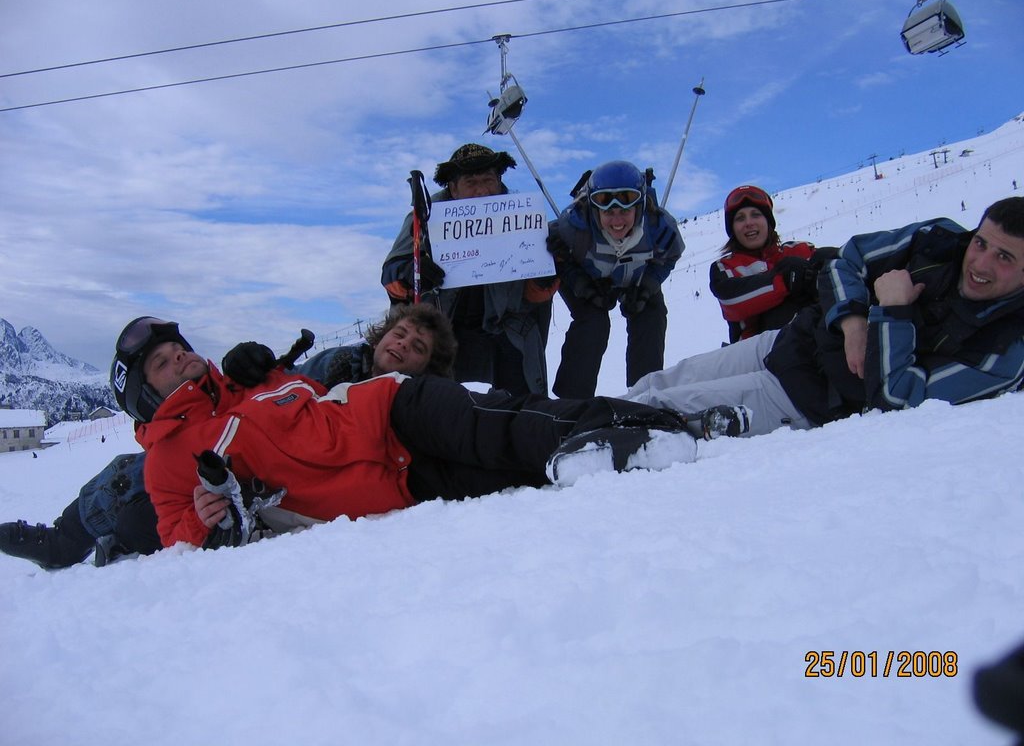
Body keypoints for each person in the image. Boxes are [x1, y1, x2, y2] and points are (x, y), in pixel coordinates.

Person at [110, 314, 726, 550]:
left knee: (501, 426)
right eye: (161, 364)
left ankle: (637, 426)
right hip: (392, 489)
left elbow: (305, 398)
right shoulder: (167, 461)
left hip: (388, 411)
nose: (180, 360)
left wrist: (268, 368)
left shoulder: (246, 385)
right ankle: (615, 453)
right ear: (146, 394)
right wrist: (203, 515)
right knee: (499, 476)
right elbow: (178, 540)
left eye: (178, 348)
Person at [0, 304, 458, 570]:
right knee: (126, 477)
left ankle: (110, 540)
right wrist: (258, 367)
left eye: (415, 348)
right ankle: (62, 542)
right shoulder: (348, 363)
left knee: (137, 518)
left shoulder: (412, 398)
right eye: (397, 336)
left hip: (246, 478)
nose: (401, 348)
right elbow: (297, 387)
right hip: (211, 459)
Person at [624, 197, 1024, 436]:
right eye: (981, 242)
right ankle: (569, 414)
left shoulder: (1003, 350)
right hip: (787, 341)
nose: (980, 262)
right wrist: (851, 321)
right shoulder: (940, 243)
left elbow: (898, 398)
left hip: (804, 395)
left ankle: (569, 436)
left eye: (1004, 257)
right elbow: (847, 261)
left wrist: (894, 311)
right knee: (660, 381)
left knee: (662, 405)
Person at [381, 143, 558, 396]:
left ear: (499, 181)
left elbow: (534, 296)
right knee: (428, 396)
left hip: (505, 324)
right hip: (442, 323)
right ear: (452, 187)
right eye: (471, 182)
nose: (482, 191)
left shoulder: (523, 217)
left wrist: (547, 272)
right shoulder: (424, 217)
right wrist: (412, 271)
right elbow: (391, 273)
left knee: (522, 395)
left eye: (488, 180)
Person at [546, 160, 684, 398]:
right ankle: (572, 401)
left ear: (640, 207)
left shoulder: (659, 227)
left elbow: (669, 257)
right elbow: (558, 256)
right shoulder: (573, 228)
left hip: (636, 278)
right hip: (589, 278)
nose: (617, 220)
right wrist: (582, 285)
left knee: (651, 314)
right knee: (593, 322)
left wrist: (648, 286)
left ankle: (645, 394)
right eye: (608, 211)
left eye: (625, 211)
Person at [710, 184, 837, 343]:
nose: (749, 223)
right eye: (740, 218)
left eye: (756, 215)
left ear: (768, 221)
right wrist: (784, 279)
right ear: (733, 229)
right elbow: (731, 301)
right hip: (754, 352)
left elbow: (842, 266)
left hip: (813, 340)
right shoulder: (726, 267)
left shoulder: (798, 250)